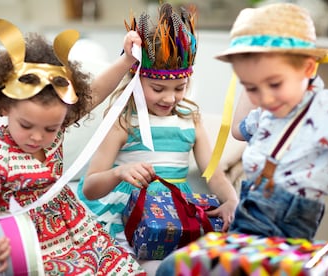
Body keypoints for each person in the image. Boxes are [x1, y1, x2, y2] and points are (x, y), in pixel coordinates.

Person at [155, 3, 328, 274]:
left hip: (284, 229)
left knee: (179, 267)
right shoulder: (269, 111)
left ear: (308, 68)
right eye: (252, 87)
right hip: (248, 220)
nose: (265, 97)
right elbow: (238, 129)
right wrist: (250, 81)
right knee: (174, 267)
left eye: (274, 84)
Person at [0, 18, 146, 275]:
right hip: (33, 245)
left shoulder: (56, 126)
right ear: (4, 107)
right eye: (26, 125)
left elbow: (93, 95)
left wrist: (127, 60)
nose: (38, 137)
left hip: (78, 231)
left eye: (50, 128)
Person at [77, 2, 238, 272]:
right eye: (157, 88)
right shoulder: (123, 120)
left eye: (179, 87)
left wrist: (231, 200)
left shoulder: (190, 118)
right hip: (127, 212)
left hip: (175, 213)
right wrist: (120, 173)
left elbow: (214, 173)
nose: (169, 97)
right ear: (135, 78)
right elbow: (90, 187)